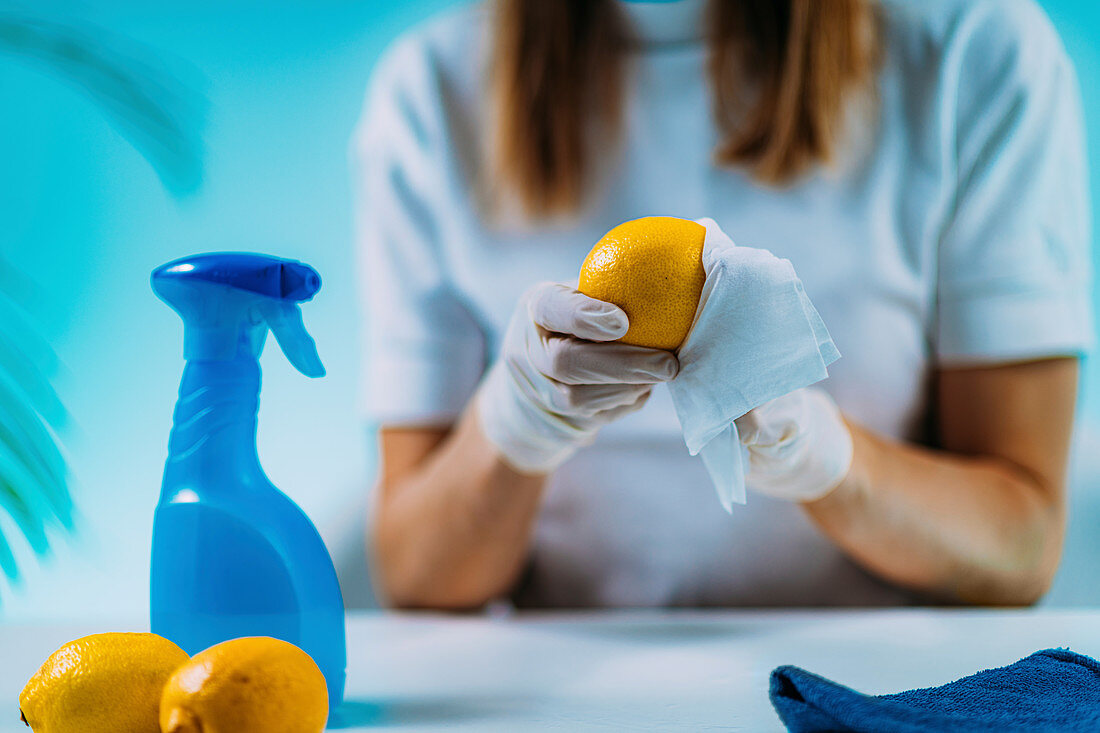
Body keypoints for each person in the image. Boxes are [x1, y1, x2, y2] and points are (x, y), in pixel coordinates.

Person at [352, 0, 1092, 610]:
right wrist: (516, 422)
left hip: (869, 693)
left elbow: (1019, 545)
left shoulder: (972, 51)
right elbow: (417, 574)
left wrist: (825, 458)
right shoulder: (433, 94)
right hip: (563, 700)